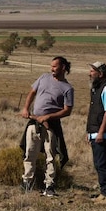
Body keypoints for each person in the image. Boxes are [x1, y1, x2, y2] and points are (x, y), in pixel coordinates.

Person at [19, 56, 74, 197]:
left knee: (51, 156)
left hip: (52, 126)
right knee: (29, 153)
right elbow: (32, 92)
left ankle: (49, 185)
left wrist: (49, 117)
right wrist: (26, 108)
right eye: (51, 66)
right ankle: (27, 182)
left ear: (63, 68)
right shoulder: (43, 78)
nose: (52, 69)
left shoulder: (67, 88)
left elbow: (67, 110)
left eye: (55, 66)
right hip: (34, 122)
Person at [88, 61, 106, 205]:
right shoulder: (97, 88)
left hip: (102, 134)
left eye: (93, 71)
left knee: (102, 163)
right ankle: (104, 193)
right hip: (96, 133)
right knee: (99, 164)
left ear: (100, 73)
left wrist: (100, 132)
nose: (90, 74)